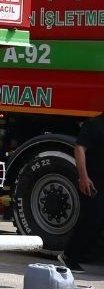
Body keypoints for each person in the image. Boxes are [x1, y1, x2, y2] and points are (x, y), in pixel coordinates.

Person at [60, 112, 104, 273]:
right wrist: (84, 177)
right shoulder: (94, 124)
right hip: (94, 181)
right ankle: (69, 256)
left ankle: (82, 255)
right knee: (93, 219)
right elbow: (79, 149)